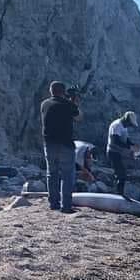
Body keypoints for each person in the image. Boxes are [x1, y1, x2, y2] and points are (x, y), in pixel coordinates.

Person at [40, 81, 81, 212]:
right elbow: (78, 117)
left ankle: (53, 204)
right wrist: (73, 100)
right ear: (63, 92)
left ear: (51, 91)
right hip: (65, 144)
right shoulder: (68, 104)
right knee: (67, 175)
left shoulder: (44, 104)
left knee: (51, 174)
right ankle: (66, 206)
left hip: (49, 143)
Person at [106, 111, 139, 196]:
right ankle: (118, 194)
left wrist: (133, 145)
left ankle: (119, 193)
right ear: (126, 120)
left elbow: (126, 140)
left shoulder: (124, 126)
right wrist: (130, 147)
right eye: (130, 124)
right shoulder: (117, 125)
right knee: (120, 174)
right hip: (113, 152)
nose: (130, 126)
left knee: (122, 173)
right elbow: (115, 141)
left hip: (118, 152)